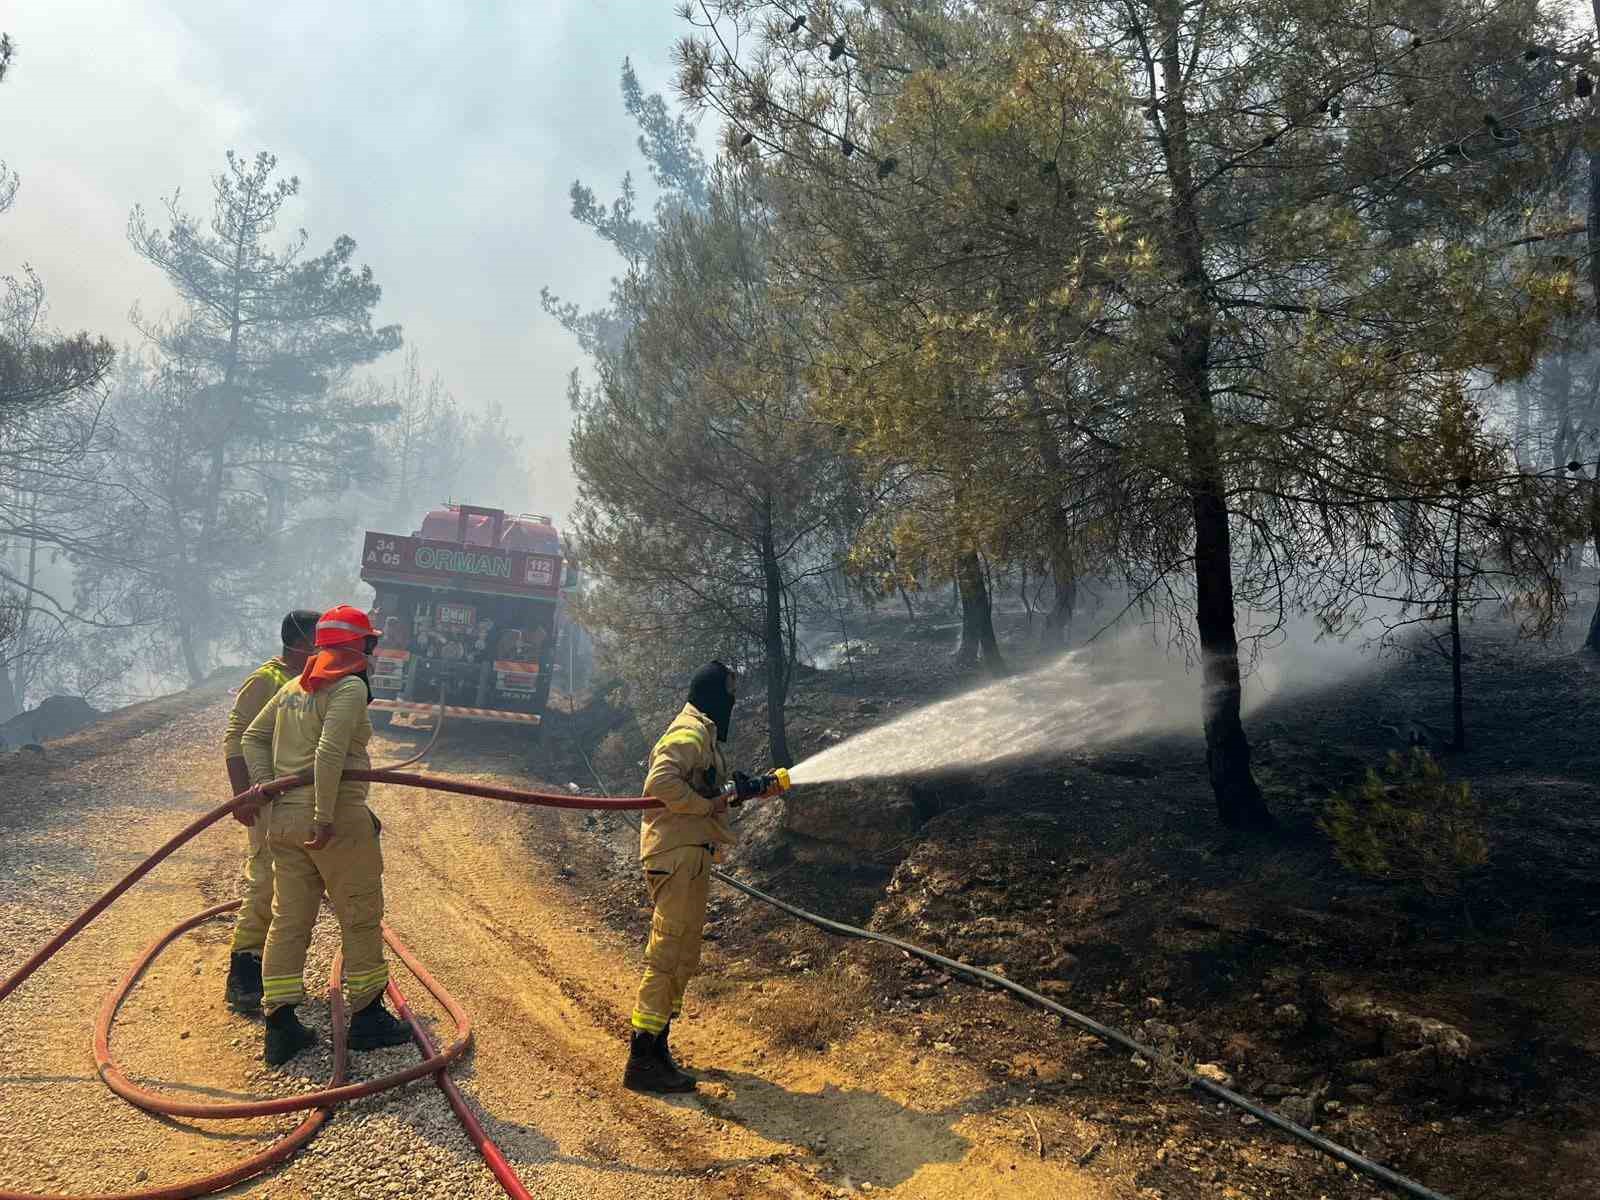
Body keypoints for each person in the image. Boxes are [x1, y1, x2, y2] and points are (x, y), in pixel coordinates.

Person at [239, 604, 411, 1066]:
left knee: (289, 919)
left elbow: (251, 738)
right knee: (359, 913)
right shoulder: (349, 687)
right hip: (333, 821)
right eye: (370, 645)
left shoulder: (295, 688)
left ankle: (280, 1026)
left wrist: (270, 793)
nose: (374, 654)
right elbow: (330, 750)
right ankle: (368, 1019)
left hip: (286, 824)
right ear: (358, 647)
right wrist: (323, 814)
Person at [624, 660, 748, 1094]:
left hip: (688, 856)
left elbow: (696, 787)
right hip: (675, 856)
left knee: (682, 955)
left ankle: (658, 1047)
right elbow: (662, 782)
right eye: (729, 694)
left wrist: (725, 794)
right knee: (667, 953)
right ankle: (641, 1057)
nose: (733, 703)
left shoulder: (703, 733)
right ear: (715, 695)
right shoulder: (691, 732)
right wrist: (704, 806)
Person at [221, 610, 320, 1015]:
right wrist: (244, 796)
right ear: (299, 642)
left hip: (296, 801)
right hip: (267, 798)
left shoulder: (312, 681)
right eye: (319, 639)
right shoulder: (266, 680)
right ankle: (243, 969)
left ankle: (271, 971)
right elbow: (235, 739)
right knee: (264, 881)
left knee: (291, 887)